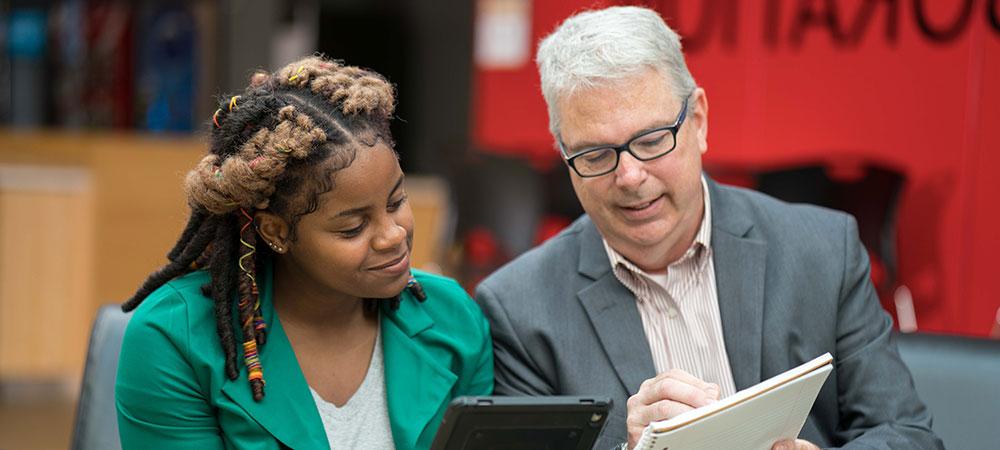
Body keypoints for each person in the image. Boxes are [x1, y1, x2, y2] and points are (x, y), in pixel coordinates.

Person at [475, 6, 941, 450]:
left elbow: (908, 434)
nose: (631, 176)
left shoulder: (822, 251)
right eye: (595, 155)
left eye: (652, 140)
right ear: (565, 158)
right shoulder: (520, 309)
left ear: (697, 121)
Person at [116, 56, 493, 450]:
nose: (393, 235)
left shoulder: (454, 322)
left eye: (397, 201)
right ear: (276, 231)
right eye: (353, 227)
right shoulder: (175, 341)